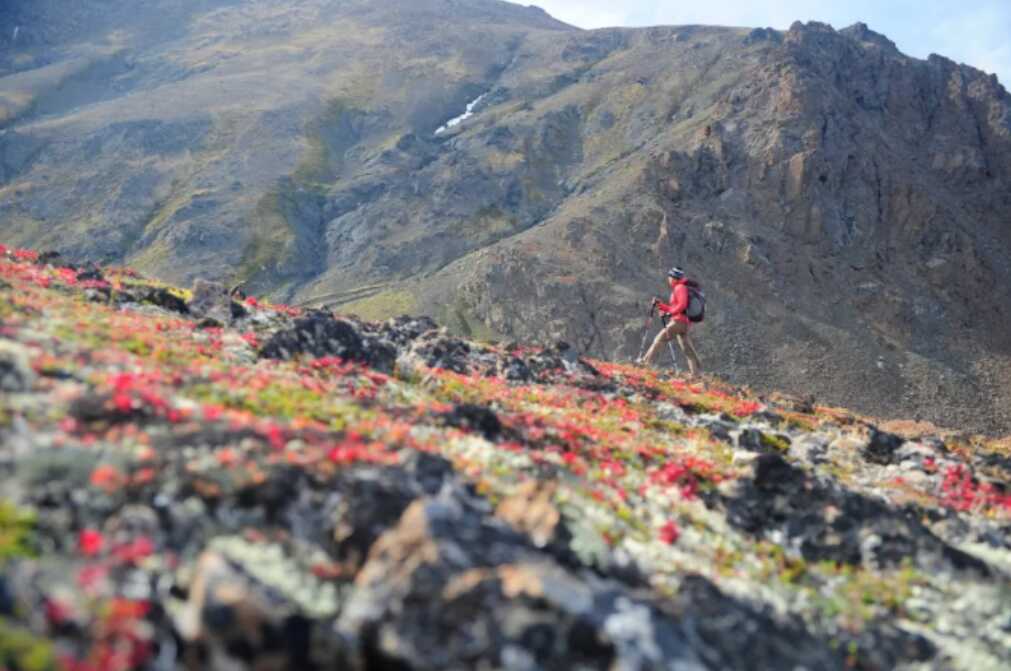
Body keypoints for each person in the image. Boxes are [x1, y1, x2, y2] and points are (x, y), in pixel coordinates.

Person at [636, 267, 702, 377]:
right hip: (684, 323)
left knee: (659, 339)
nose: (668, 279)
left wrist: (670, 313)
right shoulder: (682, 287)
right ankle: (696, 373)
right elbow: (675, 307)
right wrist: (661, 306)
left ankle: (645, 363)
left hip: (678, 322)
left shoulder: (680, 288)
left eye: (670, 277)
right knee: (687, 348)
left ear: (674, 278)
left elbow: (682, 305)